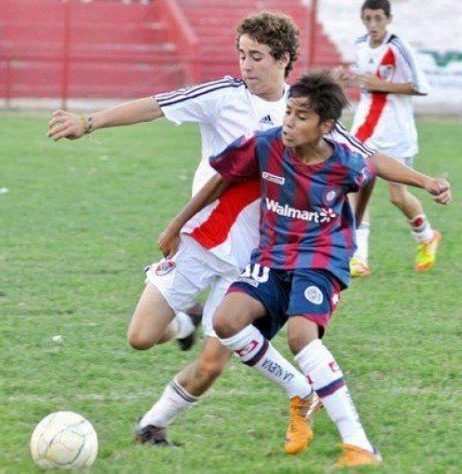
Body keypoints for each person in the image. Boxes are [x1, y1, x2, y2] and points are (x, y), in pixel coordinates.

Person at [47, 11, 375, 455]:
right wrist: (89, 123)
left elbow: (364, 159)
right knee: (141, 336)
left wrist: (423, 181)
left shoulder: (302, 113)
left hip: (254, 258)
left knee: (211, 364)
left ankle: (153, 425)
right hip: (202, 241)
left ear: (283, 59)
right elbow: (155, 105)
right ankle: (185, 322)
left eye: (256, 56)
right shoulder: (223, 96)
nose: (246, 65)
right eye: (241, 54)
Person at [159, 71, 451, 467]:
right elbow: (221, 180)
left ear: (326, 127)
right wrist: (177, 224)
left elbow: (370, 170)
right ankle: (301, 391)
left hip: (320, 257)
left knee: (301, 336)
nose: (289, 123)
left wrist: (423, 183)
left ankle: (360, 445)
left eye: (300, 117)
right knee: (227, 321)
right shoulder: (266, 145)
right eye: (288, 113)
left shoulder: (344, 162)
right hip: (273, 255)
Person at [334, 0, 440, 277]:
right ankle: (359, 257)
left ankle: (426, 237)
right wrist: (347, 79)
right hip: (365, 129)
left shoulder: (398, 46)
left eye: (378, 19)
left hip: (395, 130)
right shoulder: (359, 44)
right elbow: (366, 81)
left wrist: (383, 86)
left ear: (388, 19)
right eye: (367, 19)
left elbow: (421, 87)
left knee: (398, 196)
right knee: (355, 188)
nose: (372, 25)